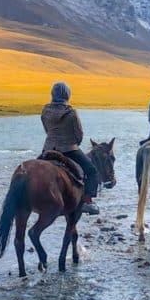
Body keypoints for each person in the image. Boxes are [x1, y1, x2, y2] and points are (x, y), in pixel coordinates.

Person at [41, 81, 100, 215]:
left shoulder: (45, 111)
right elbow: (78, 134)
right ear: (67, 95)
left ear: (52, 94)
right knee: (91, 170)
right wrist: (74, 143)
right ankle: (87, 201)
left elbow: (46, 129)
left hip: (48, 148)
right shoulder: (72, 113)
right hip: (69, 149)